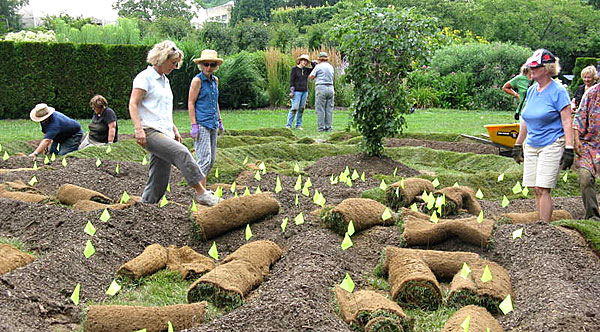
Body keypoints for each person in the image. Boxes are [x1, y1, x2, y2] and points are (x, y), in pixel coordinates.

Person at [128, 40, 221, 206]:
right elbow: (133, 103)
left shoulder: (165, 80)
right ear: (161, 59)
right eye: (172, 63)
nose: (174, 67)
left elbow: (162, 109)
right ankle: (202, 193)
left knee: (159, 177)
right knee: (182, 153)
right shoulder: (145, 78)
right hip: (149, 131)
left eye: (176, 64)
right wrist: (138, 129)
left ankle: (145, 207)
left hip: (165, 131)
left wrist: (174, 129)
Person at [512, 49, 574, 222]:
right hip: (532, 143)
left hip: (552, 143)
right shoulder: (532, 90)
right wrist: (518, 144)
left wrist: (569, 148)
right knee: (535, 188)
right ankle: (539, 225)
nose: (531, 70)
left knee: (543, 187)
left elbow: (567, 121)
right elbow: (525, 119)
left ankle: (544, 228)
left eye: (535, 67)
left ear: (546, 69)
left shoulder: (559, 91)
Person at [188, 49, 224, 188]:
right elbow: (191, 103)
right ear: (201, 65)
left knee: (211, 160)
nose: (209, 67)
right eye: (206, 64)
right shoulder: (197, 81)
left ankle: (203, 188)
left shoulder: (215, 80)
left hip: (213, 122)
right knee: (204, 159)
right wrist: (194, 125)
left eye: (212, 65)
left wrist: (220, 121)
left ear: (216, 66)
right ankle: (199, 191)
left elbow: (215, 102)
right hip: (201, 123)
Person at [573, 82, 600, 220]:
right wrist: (576, 140)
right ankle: (592, 216)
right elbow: (579, 118)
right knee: (585, 178)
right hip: (590, 146)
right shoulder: (591, 93)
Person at [309, 51, 335, 132]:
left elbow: (311, 77)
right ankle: (329, 127)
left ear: (319, 59)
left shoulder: (318, 66)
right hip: (330, 87)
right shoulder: (331, 67)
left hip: (321, 87)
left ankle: (321, 127)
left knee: (320, 109)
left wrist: (315, 68)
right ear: (327, 58)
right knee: (329, 109)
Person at [286, 54, 311, 130]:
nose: (305, 62)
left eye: (306, 61)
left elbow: (314, 68)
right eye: (303, 60)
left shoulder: (306, 70)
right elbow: (292, 81)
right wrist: (292, 92)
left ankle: (298, 125)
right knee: (294, 108)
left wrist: (312, 62)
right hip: (296, 92)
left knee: (301, 108)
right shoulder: (294, 69)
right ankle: (288, 125)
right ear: (300, 61)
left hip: (304, 91)